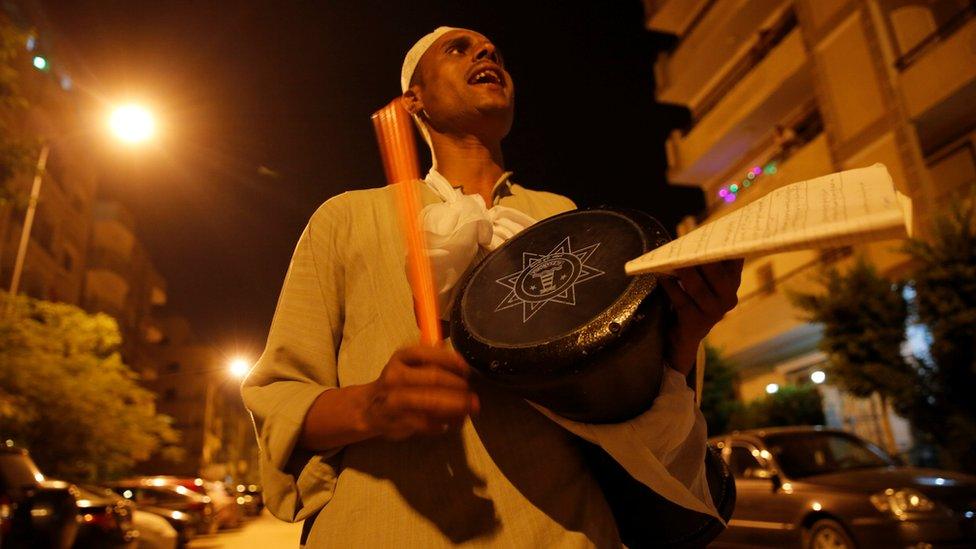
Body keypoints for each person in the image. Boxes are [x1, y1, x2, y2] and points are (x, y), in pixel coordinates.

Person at [242, 27, 743, 547]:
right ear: (414, 100)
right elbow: (281, 398)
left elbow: (618, 394)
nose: (485, 52)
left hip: (564, 532)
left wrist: (682, 337)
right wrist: (372, 405)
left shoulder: (562, 217)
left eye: (494, 52)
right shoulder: (346, 218)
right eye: (457, 49)